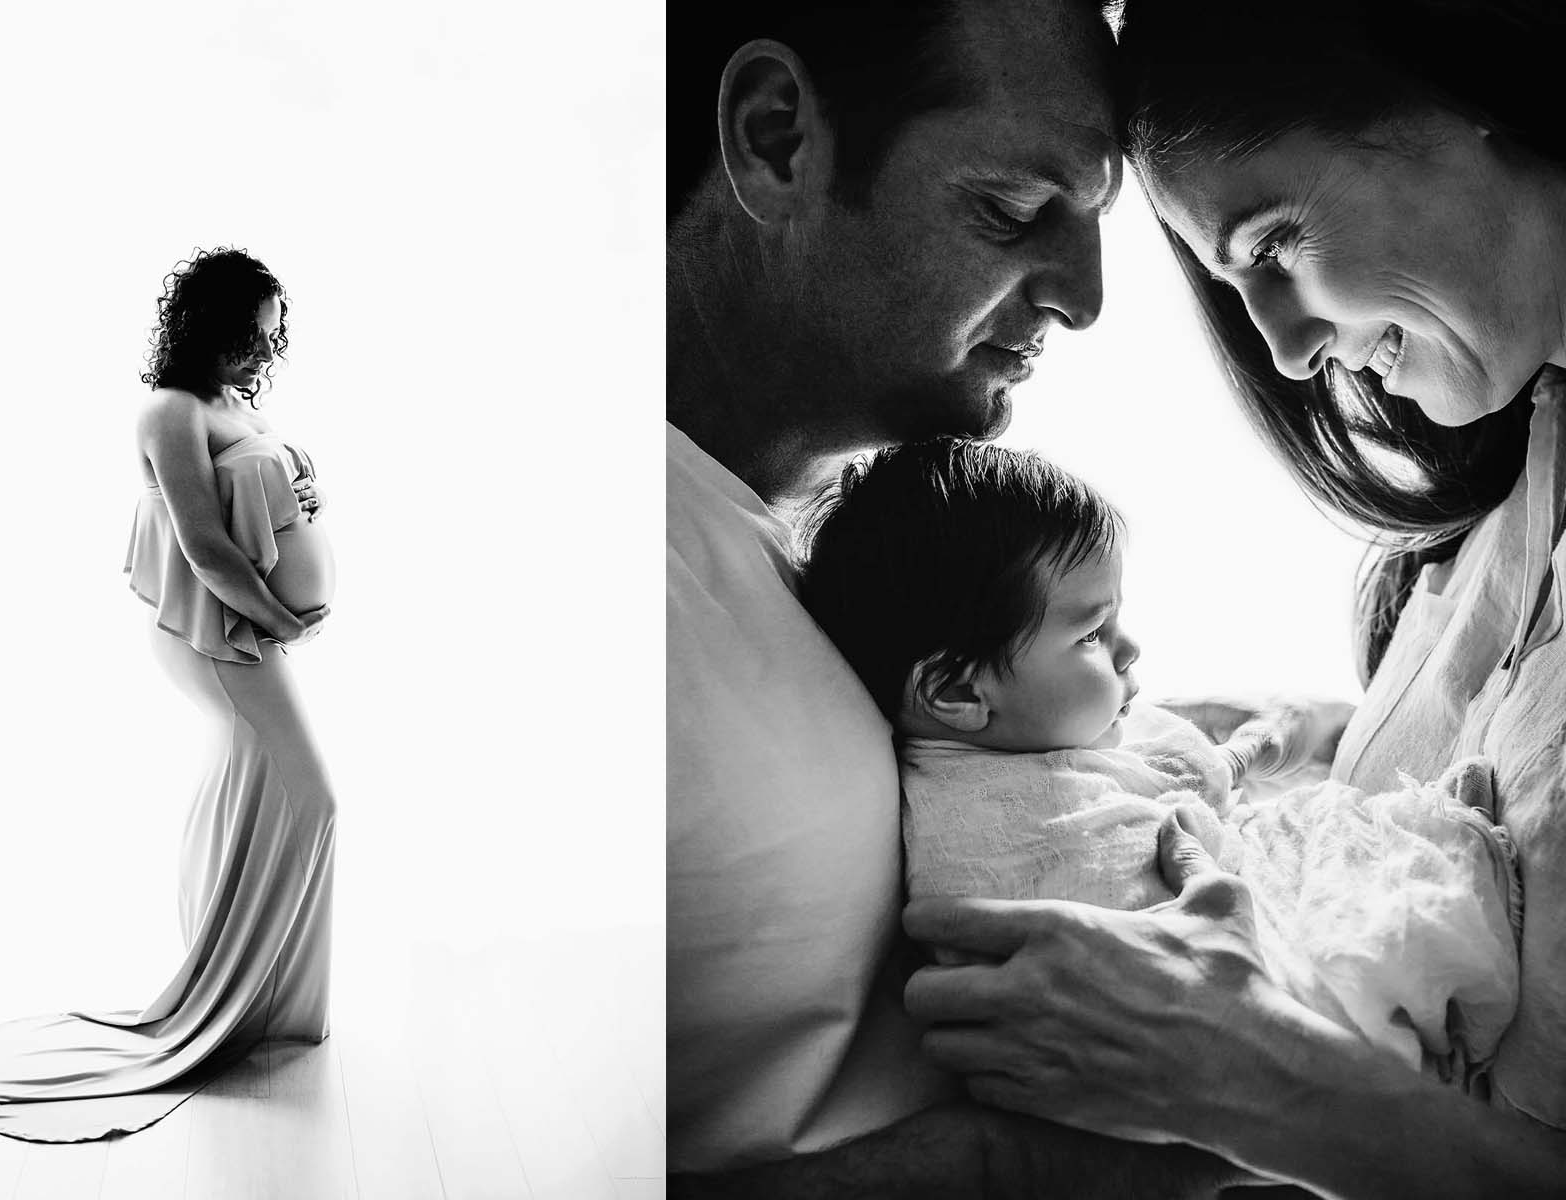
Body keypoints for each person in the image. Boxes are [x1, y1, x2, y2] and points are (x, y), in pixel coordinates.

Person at [898, 0, 1566, 1192]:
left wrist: (1249, 1072)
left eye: (1270, 247)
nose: (1287, 350)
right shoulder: (1500, 510)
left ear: (1462, 88)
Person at [666, 1, 1333, 1192]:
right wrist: (1002, 1164)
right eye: (1014, 209)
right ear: (775, 140)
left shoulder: (854, 534)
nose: (1085, 298)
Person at [800, 437, 1521, 1078]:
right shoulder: (1010, 838)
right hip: (1235, 1065)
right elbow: (1167, 960)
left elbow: (1183, 790)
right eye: (1091, 634)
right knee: (1404, 891)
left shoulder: (1026, 738)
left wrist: (1235, 762)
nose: (1130, 649)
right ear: (957, 692)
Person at [0, 247, 338, 1142]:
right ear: (204, 325)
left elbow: (265, 504)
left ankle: (266, 996)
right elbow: (202, 544)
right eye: (245, 337)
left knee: (255, 788)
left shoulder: (240, 402)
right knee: (311, 797)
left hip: (247, 627)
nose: (258, 356)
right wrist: (281, 617)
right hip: (215, 633)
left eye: (270, 340)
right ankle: (220, 992)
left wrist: (309, 496)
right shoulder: (168, 410)